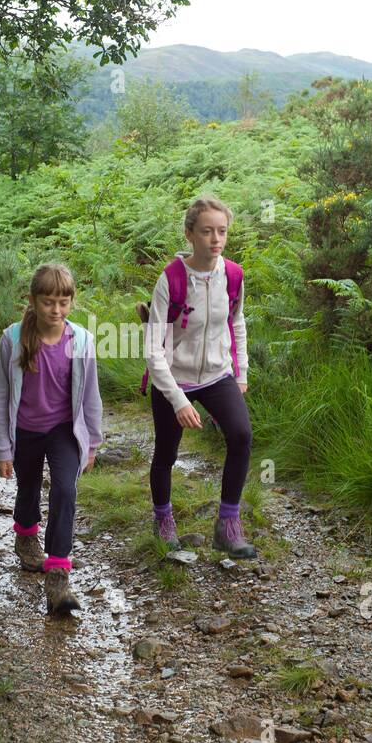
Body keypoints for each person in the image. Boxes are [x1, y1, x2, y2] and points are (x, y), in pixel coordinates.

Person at [142, 193, 257, 559]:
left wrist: (240, 374)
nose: (216, 239)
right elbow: (153, 348)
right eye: (207, 231)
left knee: (241, 435)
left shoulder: (233, 275)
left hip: (217, 374)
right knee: (166, 452)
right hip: (172, 376)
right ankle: (163, 519)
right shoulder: (172, 279)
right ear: (190, 234)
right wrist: (176, 399)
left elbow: (236, 323)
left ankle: (227, 526)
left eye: (222, 231)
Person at [0, 263, 103, 615]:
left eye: (63, 302)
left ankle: (57, 572)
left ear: (72, 302)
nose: (56, 310)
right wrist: (2, 448)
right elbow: (1, 394)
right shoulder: (12, 339)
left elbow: (90, 395)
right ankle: (25, 533)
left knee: (65, 490)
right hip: (24, 429)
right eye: (48, 302)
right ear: (33, 300)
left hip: (64, 430)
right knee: (29, 487)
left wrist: (93, 441)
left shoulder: (80, 340)